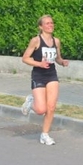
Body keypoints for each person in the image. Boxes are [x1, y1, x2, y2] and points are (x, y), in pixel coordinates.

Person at [21, 15, 69, 145]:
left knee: (51, 107)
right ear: (41, 27)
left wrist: (62, 62)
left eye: (52, 23)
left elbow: (57, 58)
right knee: (41, 110)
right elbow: (25, 58)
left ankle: (45, 134)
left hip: (51, 75)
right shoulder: (36, 41)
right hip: (38, 75)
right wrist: (39, 64)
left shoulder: (56, 41)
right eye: (47, 23)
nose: (50, 25)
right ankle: (30, 102)